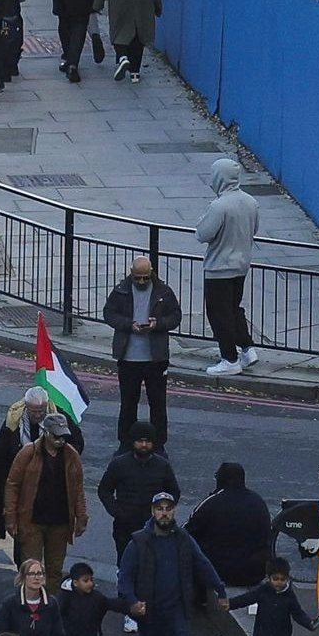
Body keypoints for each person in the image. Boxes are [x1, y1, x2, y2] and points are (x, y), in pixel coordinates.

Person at [100, 255, 180, 446]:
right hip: (129, 358)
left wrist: (157, 324)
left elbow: (176, 316)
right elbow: (109, 313)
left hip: (156, 359)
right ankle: (125, 444)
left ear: (151, 272)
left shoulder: (164, 291)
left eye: (145, 277)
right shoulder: (121, 290)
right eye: (138, 278)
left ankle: (159, 445)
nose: (142, 281)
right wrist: (129, 324)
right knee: (128, 404)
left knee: (158, 405)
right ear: (131, 273)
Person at [193, 160, 261, 374]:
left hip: (218, 268)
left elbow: (202, 234)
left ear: (219, 177)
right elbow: (255, 228)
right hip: (241, 266)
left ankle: (229, 360)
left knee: (218, 314)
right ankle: (248, 349)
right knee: (233, 310)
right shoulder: (250, 202)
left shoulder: (219, 206)